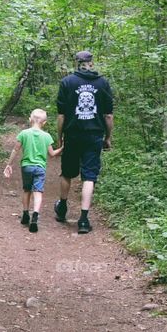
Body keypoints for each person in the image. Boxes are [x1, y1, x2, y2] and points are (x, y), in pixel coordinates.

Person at [54, 50, 114, 234]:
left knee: (67, 172)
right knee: (89, 175)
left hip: (72, 134)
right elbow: (109, 115)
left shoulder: (67, 82)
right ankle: (83, 219)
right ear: (91, 63)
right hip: (94, 135)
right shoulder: (102, 83)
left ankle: (62, 207)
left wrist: (60, 138)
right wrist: (108, 137)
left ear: (77, 63)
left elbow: (61, 115)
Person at [3, 108, 63, 234]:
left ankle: (25, 214)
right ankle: (35, 215)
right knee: (38, 191)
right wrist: (62, 147)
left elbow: (15, 149)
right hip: (40, 167)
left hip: (26, 166)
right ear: (44, 123)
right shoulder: (46, 136)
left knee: (27, 190)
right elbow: (52, 154)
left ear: (30, 120)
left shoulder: (24, 133)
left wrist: (9, 164)